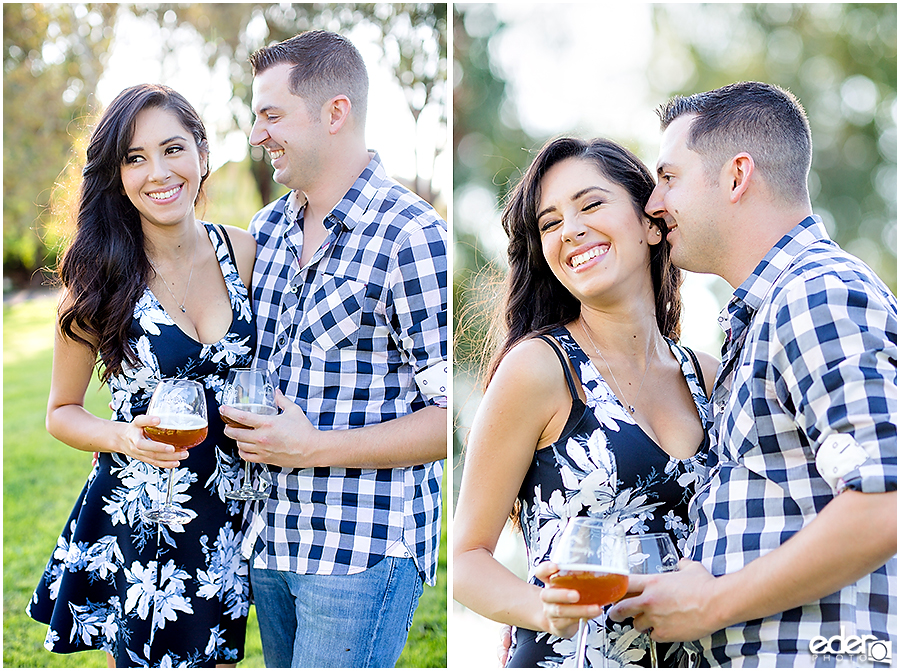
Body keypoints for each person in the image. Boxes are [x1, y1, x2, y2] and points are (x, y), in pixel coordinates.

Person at [609, 81, 897, 666]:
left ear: (737, 176)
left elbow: (885, 499)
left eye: (669, 178)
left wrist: (712, 605)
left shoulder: (816, 297)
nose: (654, 204)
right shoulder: (759, 322)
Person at [218, 30, 447, 668]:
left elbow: (449, 417)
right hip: (270, 539)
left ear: (335, 112)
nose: (257, 135)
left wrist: (316, 448)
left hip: (360, 551)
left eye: (271, 115)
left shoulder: (411, 235)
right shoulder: (267, 230)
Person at [453, 136, 719, 667]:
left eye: (591, 204)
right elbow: (464, 559)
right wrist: (542, 609)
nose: (570, 229)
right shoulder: (539, 368)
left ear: (650, 224)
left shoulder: (709, 376)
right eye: (550, 223)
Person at [26, 83, 257, 667]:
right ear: (118, 176)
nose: (158, 172)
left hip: (226, 522)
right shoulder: (99, 276)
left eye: (173, 149)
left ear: (202, 154)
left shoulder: (246, 253)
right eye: (135, 158)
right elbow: (61, 412)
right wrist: (123, 437)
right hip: (143, 518)